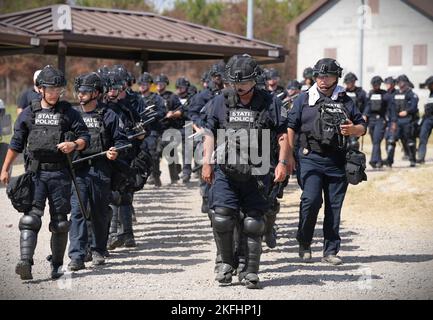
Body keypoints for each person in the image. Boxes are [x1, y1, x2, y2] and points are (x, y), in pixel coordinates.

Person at [202, 54, 289, 289]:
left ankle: (250, 271)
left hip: (258, 171)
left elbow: (282, 134)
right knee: (221, 217)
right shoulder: (220, 101)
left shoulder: (270, 102)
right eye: (233, 82)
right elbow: (209, 132)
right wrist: (207, 162)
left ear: (255, 80)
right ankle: (226, 264)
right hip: (226, 169)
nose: (238, 86)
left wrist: (282, 163)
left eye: (243, 82)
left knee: (253, 222)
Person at [0, 65, 90, 280]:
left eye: (59, 90)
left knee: (60, 222)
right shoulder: (29, 113)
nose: (55, 94)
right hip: (36, 174)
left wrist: (74, 145)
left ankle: (57, 265)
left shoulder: (68, 112)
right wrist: (5, 169)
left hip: (60, 174)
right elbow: (16, 144)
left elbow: (85, 137)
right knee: (30, 219)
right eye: (51, 89)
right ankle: (25, 262)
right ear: (40, 89)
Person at [287, 58, 366, 266]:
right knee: (311, 201)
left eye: (327, 76)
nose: (323, 80)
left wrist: (353, 130)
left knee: (334, 207)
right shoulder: (303, 99)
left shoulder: (345, 100)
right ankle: (304, 242)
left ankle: (330, 251)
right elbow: (291, 126)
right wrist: (287, 155)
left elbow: (361, 126)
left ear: (336, 77)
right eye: (320, 76)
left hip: (337, 159)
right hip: (309, 157)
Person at [68, 72, 129, 271]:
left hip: (101, 169)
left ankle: (98, 249)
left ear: (95, 93)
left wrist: (115, 151)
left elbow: (121, 141)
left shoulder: (109, 115)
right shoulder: (71, 114)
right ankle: (77, 255)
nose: (80, 95)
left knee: (99, 212)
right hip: (78, 170)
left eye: (85, 92)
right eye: (79, 91)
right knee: (77, 211)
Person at [188, 62, 225, 213]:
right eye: (215, 76)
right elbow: (192, 114)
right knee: (204, 164)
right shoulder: (203, 95)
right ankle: (205, 196)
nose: (218, 79)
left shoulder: (230, 92)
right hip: (205, 134)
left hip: (223, 136)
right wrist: (199, 128)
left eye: (220, 76)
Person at [137, 72, 166, 187]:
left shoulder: (156, 98)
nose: (142, 86)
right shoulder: (136, 98)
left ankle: (155, 175)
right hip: (139, 130)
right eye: (140, 84)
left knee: (153, 153)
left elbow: (162, 112)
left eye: (145, 84)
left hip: (152, 130)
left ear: (149, 85)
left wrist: (151, 115)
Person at [363, 76, 397, 168]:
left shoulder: (386, 95)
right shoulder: (370, 93)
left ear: (379, 84)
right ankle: (379, 161)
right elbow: (368, 106)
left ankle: (374, 161)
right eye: (373, 84)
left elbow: (392, 109)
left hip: (381, 120)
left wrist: (393, 122)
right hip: (371, 120)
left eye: (376, 84)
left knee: (377, 140)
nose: (374, 86)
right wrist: (365, 115)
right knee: (375, 141)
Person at [394, 74, 419, 167]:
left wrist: (407, 111)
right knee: (399, 138)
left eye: (402, 82)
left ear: (406, 83)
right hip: (398, 121)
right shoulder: (396, 93)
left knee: (410, 140)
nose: (400, 84)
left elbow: (414, 107)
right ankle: (406, 153)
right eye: (399, 82)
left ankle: (413, 160)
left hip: (408, 120)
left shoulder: (411, 94)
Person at [417, 76, 433, 164]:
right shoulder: (430, 94)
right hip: (428, 119)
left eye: (429, 85)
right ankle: (421, 157)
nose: (428, 87)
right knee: (423, 137)